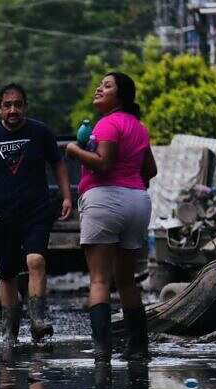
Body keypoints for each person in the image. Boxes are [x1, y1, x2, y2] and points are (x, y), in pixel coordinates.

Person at [0, 83, 73, 348]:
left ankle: (38, 321)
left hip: (37, 209)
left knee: (36, 260)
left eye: (18, 104)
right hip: (1, 213)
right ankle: (9, 332)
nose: (13, 110)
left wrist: (67, 196)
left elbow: (59, 164)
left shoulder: (40, 132)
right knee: (6, 274)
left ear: (25, 106)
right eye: (7, 105)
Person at [65, 72, 158, 362]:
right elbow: (150, 171)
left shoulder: (106, 124)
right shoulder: (139, 128)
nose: (99, 88)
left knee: (99, 281)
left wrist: (74, 150)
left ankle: (102, 351)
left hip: (104, 200)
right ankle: (138, 347)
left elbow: (103, 165)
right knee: (127, 281)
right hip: (137, 202)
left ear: (121, 96)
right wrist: (129, 180)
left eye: (106, 86)